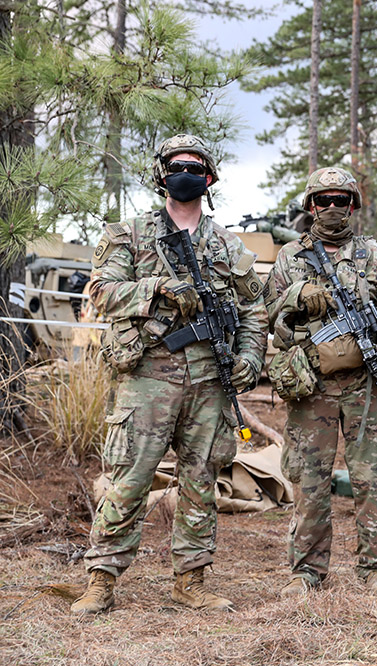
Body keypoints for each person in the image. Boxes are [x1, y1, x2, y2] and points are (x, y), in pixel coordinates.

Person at [73, 134, 268, 614]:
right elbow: (100, 291)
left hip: (209, 381)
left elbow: (254, 309)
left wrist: (249, 357)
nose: (186, 173)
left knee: (202, 480)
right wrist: (158, 288)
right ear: (162, 174)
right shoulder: (130, 234)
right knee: (130, 478)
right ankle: (101, 579)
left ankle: (191, 581)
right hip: (148, 376)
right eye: (177, 165)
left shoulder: (228, 245)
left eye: (195, 166)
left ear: (209, 178)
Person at [267, 167, 377, 595]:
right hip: (310, 385)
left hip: (364, 385)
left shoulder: (373, 255)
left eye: (341, 200)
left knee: (372, 478)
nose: (333, 208)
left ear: (353, 205)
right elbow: (265, 313)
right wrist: (297, 297)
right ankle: (306, 571)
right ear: (310, 206)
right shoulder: (290, 256)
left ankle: (375, 568)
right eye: (323, 201)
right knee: (309, 480)